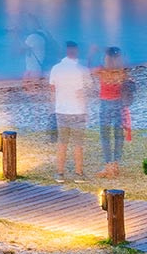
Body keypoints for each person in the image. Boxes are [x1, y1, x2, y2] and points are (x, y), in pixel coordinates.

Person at [46, 41, 90, 181]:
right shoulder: (82, 69)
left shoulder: (56, 68)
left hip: (62, 110)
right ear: (76, 51)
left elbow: (52, 88)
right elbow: (87, 88)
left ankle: (60, 173)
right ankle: (78, 173)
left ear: (65, 52)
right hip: (78, 110)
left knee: (62, 143)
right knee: (78, 144)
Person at [96, 46, 128, 178]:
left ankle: (109, 165)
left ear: (107, 57)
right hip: (119, 103)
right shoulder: (122, 72)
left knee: (105, 135)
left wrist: (91, 54)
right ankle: (115, 165)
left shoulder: (102, 70)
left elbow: (87, 70)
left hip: (105, 104)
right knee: (118, 135)